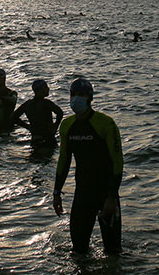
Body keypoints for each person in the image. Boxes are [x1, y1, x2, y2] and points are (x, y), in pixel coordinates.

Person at [52, 78, 123, 254]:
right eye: (73, 94)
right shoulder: (67, 125)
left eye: (81, 95)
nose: (76, 99)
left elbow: (117, 161)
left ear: (90, 98)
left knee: (113, 252)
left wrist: (112, 197)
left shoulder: (105, 123)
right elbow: (64, 160)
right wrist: (56, 192)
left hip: (105, 194)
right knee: (78, 251)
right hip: (82, 194)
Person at [12, 79, 64, 151]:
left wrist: (27, 126)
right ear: (39, 90)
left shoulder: (27, 104)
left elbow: (13, 117)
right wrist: (55, 126)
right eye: (45, 87)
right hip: (48, 139)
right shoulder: (46, 103)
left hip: (35, 139)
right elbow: (60, 112)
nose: (48, 89)